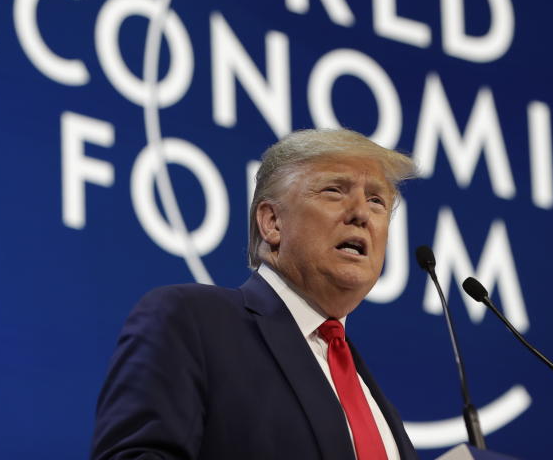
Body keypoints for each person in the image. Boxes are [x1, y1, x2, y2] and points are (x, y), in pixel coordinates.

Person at [91, 129, 418, 460]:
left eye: (377, 201)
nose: (361, 214)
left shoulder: (371, 396)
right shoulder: (192, 321)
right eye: (334, 191)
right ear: (272, 222)